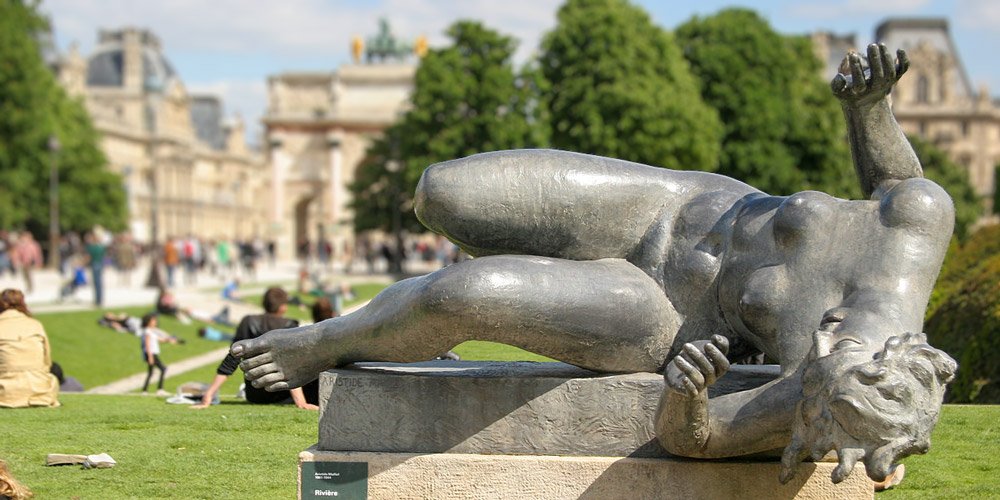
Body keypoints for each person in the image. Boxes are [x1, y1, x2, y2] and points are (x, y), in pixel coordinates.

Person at [234, 46, 957, 484]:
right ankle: (403, 323)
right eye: (844, 359)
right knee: (442, 190)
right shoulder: (918, 223)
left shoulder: (814, 397)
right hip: (672, 203)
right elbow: (893, 180)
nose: (826, 361)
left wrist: (691, 391)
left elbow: (694, 439)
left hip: (659, 311)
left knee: (467, 292)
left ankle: (322, 343)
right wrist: (868, 113)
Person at [193, 287, 318, 410]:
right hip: (281, 394)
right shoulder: (290, 324)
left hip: (255, 395)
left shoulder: (247, 322)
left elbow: (231, 360)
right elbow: (290, 365)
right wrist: (300, 401)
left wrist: (209, 394)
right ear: (283, 307)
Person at [0, 289, 59, 408]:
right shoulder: (35, 324)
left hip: (5, 391)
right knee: (53, 378)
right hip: (39, 390)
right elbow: (47, 361)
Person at [140, 313, 181, 395]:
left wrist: (169, 340)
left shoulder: (151, 331)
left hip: (152, 353)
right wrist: (150, 356)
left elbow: (160, 340)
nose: (155, 322)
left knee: (151, 372)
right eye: (153, 321)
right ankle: (160, 389)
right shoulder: (147, 331)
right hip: (151, 354)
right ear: (148, 322)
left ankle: (145, 390)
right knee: (163, 369)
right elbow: (147, 344)